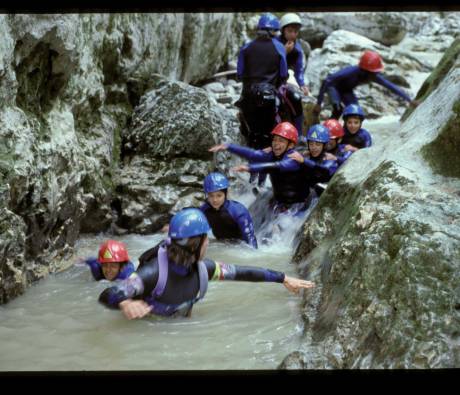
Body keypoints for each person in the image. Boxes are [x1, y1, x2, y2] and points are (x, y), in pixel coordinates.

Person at [98, 208, 315, 319]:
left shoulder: (206, 270)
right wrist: (125, 303)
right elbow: (108, 295)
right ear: (195, 244)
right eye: (206, 239)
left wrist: (284, 278)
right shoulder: (153, 273)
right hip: (149, 330)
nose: (208, 243)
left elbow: (244, 273)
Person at [209, 122, 311, 214]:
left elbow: (276, 167)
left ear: (290, 145)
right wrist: (229, 147)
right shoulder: (272, 153)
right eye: (274, 140)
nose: (276, 144)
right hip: (281, 197)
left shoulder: (293, 158)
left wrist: (250, 167)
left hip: (299, 203)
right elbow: (253, 154)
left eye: (281, 141)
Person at [235, 12, 288, 186]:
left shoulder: (247, 47)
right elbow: (283, 74)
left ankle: (251, 175)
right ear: (274, 30)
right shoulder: (279, 47)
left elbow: (240, 74)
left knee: (253, 135)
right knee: (267, 136)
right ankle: (263, 179)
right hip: (267, 96)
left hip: (248, 95)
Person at [314, 50, 420, 119]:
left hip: (346, 90)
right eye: (373, 73)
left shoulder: (373, 76)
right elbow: (327, 81)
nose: (375, 75)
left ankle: (348, 134)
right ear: (365, 71)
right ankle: (330, 130)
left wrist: (409, 100)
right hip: (334, 87)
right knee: (338, 109)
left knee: (356, 114)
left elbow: (391, 86)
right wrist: (319, 103)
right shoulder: (350, 72)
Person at [199, 172, 258, 249]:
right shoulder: (204, 210)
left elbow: (250, 239)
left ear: (226, 194)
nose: (215, 200)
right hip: (220, 245)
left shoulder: (239, 211)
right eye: (211, 196)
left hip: (240, 247)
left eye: (219, 195)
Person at [276, 13, 310, 138]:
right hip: (273, 78)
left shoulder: (298, 49)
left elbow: (299, 70)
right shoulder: (275, 43)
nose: (293, 35)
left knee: (296, 98)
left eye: (295, 32)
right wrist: (283, 52)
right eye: (290, 31)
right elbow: (270, 63)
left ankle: (299, 133)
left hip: (287, 77)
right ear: (283, 30)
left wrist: (302, 84)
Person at [288, 124, 338, 196]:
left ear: (324, 146)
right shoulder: (304, 156)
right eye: (311, 144)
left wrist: (304, 161)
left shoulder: (330, 161)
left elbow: (324, 170)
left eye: (318, 144)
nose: (313, 147)